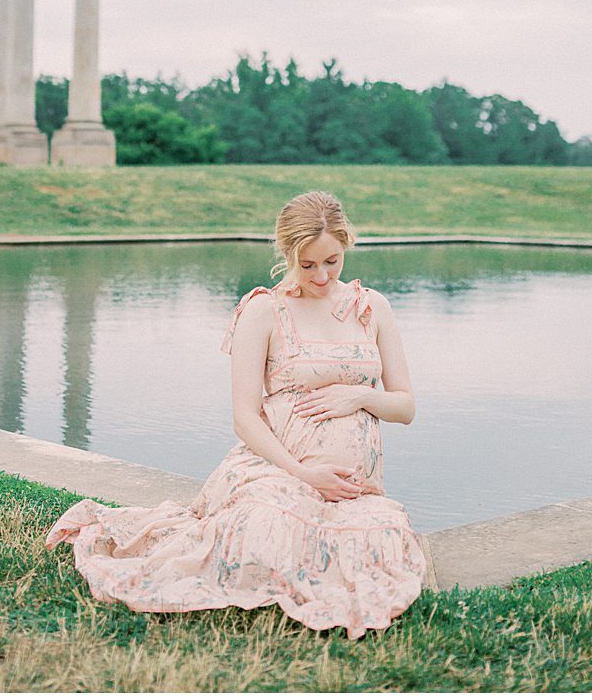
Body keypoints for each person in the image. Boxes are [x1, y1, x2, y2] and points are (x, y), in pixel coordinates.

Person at [45, 190, 426, 640]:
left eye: (332, 261)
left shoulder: (371, 308)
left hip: (351, 485)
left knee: (377, 545)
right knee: (262, 539)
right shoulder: (265, 310)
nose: (321, 276)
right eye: (308, 265)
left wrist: (357, 397)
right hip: (277, 467)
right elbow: (244, 417)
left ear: (346, 247)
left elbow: (405, 406)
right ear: (288, 253)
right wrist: (304, 473)